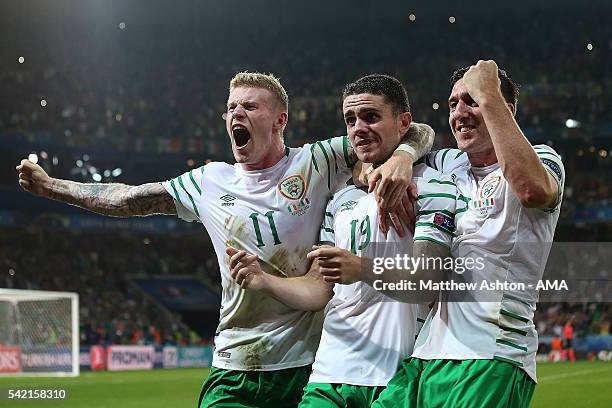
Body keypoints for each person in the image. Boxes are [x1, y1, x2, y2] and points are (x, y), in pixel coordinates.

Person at [16, 72, 435, 407]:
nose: (237, 113)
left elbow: (413, 130)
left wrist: (401, 157)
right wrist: (54, 188)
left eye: (250, 106)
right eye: (231, 107)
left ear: (280, 120)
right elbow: (127, 199)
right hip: (235, 362)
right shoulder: (209, 181)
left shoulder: (317, 161)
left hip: (306, 366)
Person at [227, 74, 456, 407]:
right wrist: (265, 281)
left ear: (404, 122)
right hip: (330, 371)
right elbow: (320, 289)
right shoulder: (340, 199)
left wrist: (362, 268)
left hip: (395, 373)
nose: (358, 127)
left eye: (371, 117)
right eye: (350, 120)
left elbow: (427, 282)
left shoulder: (432, 187)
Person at [370, 60, 565, 407]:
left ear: (504, 108)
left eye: (471, 100)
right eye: (453, 103)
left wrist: (488, 91)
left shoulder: (543, 158)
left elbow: (533, 191)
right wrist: (402, 156)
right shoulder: (450, 164)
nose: (459, 112)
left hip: (491, 355)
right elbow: (415, 134)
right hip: (426, 354)